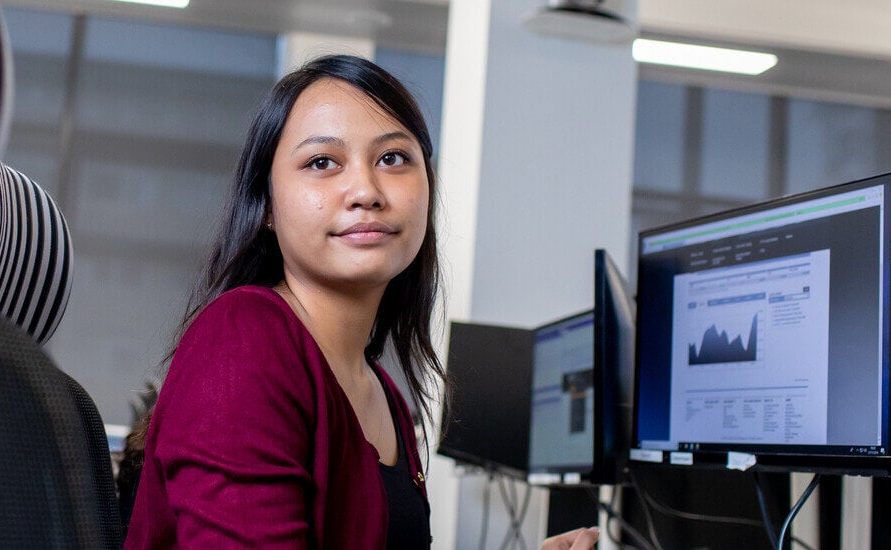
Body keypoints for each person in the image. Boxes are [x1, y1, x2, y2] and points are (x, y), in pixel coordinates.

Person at [122, 54, 598, 550]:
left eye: (392, 158)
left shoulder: (385, 394)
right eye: (321, 162)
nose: (366, 191)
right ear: (267, 206)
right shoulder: (243, 339)